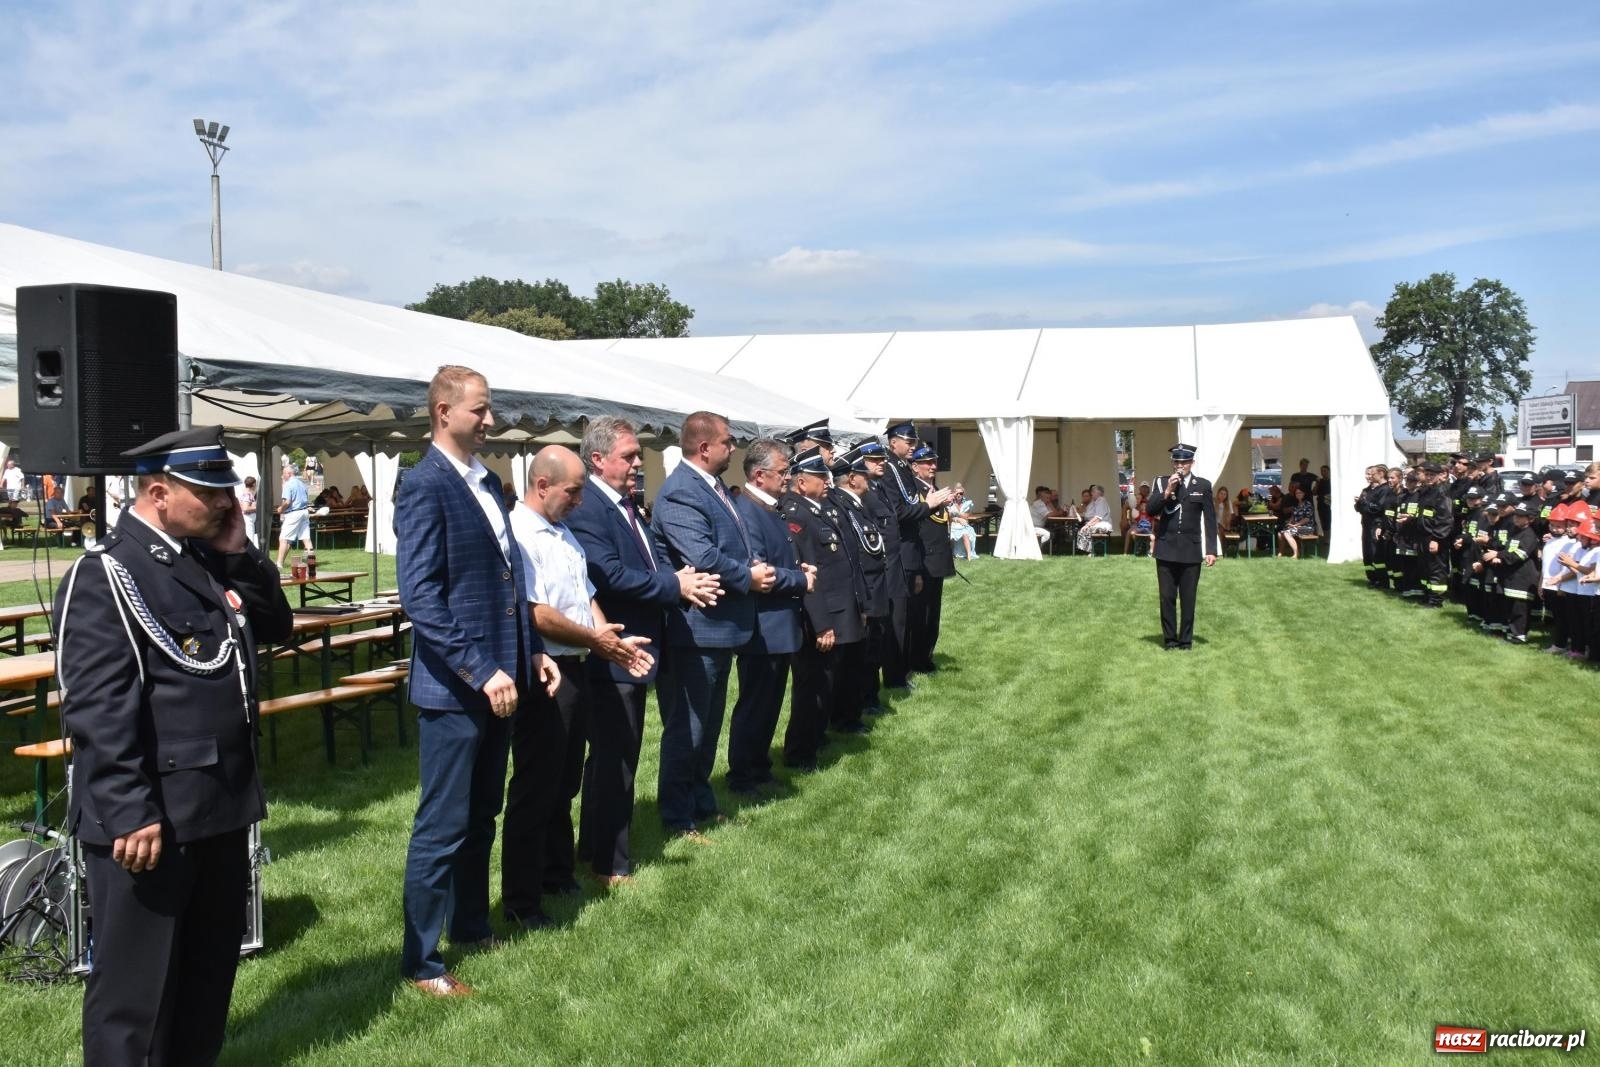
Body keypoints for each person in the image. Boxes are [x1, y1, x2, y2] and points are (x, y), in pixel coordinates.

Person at [54, 425, 292, 1065]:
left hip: (218, 807)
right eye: (210, 494)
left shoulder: (204, 559)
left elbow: (277, 624)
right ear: (159, 493)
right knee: (137, 998)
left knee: (204, 984)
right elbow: (98, 706)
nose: (226, 503)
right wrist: (129, 808)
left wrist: (240, 552)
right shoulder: (106, 574)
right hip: (152, 818)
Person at [396, 365, 554, 998]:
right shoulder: (423, 484)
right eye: (480, 410)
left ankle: (469, 925)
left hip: (502, 680)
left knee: (482, 811)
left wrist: (531, 653)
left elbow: (510, 582)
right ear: (443, 413)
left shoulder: (487, 480)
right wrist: (482, 668)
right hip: (456, 688)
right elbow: (422, 598)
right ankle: (421, 961)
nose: (490, 420)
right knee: (443, 823)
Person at [564, 417, 720, 885]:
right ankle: (610, 864)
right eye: (628, 456)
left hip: (638, 646)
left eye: (637, 455)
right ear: (597, 459)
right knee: (616, 759)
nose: (637, 463)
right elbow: (609, 575)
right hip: (613, 648)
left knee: (616, 756)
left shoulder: (623, 504)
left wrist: (675, 579)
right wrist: (675, 585)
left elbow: (645, 563)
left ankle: (594, 850)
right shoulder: (590, 508)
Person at [503, 446, 652, 928]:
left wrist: (612, 641)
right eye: (572, 491)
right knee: (536, 786)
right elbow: (536, 613)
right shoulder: (519, 533)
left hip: (577, 666)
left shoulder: (563, 532)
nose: (579, 501)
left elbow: (586, 598)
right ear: (542, 485)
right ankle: (522, 901)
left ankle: (556, 874)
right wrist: (595, 640)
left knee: (564, 780)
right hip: (545, 672)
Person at [651, 411, 778, 839]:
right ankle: (677, 816)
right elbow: (702, 556)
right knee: (688, 728)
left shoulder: (713, 486)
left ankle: (701, 803)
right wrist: (749, 577)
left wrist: (750, 564)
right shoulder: (681, 492)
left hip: (719, 628)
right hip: (696, 630)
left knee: (707, 727)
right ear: (704, 448)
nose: (733, 448)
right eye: (727, 441)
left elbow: (730, 545)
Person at [728, 439, 812, 800]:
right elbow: (760, 571)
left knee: (769, 703)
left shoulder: (768, 507)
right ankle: (743, 775)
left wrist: (797, 570)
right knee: (755, 704)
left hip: (778, 624)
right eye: (782, 471)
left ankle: (758, 767)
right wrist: (800, 579)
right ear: (759, 475)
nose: (788, 477)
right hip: (762, 626)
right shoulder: (748, 511)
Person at [782, 447, 867, 770]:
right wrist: (821, 624)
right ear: (802, 482)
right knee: (812, 687)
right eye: (821, 476)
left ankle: (815, 739)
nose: (828, 482)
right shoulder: (797, 514)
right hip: (821, 617)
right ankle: (800, 753)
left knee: (826, 683)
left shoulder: (818, 510)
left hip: (837, 610)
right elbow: (809, 574)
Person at [1146, 443, 1219, 651]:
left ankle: (1186, 641)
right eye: (1177, 462)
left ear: (1192, 463)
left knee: (1188, 599)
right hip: (1166, 548)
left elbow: (1210, 519)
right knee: (1167, 598)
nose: (1180, 466)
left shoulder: (1202, 485)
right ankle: (1170, 640)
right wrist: (1168, 490)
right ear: (1172, 463)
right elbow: (1151, 510)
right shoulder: (1161, 482)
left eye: (1184, 462)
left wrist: (1211, 550)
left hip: (1191, 550)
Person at [907, 443, 955, 673]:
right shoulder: (914, 490)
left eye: (934, 462)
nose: (933, 466)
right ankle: (917, 660)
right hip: (924, 560)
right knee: (921, 614)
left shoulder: (932, 488)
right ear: (915, 467)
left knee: (932, 613)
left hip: (937, 560)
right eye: (927, 463)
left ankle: (926, 657)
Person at [275, 464, 312, 569]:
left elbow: (287, 502)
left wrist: (280, 509)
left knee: (283, 539)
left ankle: (279, 564)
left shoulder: (288, 484)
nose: (282, 476)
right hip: (304, 512)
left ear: (289, 473)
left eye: (283, 473)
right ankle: (311, 563)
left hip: (293, 513)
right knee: (306, 539)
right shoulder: (302, 484)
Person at [1278, 484, 1316, 558]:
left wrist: (1295, 525)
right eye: (1296, 493)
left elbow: (1307, 519)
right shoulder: (1296, 504)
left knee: (1287, 533)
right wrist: (1289, 523)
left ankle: (1296, 553)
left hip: (1307, 528)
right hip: (1297, 527)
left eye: (1300, 493)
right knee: (1280, 533)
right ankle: (1281, 552)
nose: (1298, 494)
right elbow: (1293, 516)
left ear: (1304, 494)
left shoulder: (1308, 504)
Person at [1075, 484, 1113, 553]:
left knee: (1084, 529)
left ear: (1098, 493)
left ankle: (1089, 551)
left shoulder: (1101, 500)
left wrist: (1087, 525)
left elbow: (1098, 518)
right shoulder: (1097, 501)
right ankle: (1086, 550)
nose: (1091, 493)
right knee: (1083, 529)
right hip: (1099, 524)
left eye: (1093, 492)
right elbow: (1090, 515)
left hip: (1103, 525)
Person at [949, 487, 977, 559]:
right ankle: (951, 554)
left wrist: (956, 514)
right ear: (954, 494)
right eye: (957, 493)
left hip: (963, 524)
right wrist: (957, 519)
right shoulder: (950, 503)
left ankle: (969, 556)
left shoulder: (966, 503)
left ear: (963, 494)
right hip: (952, 524)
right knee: (951, 535)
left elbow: (966, 516)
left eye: (961, 493)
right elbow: (949, 517)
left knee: (965, 533)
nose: (959, 495)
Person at [239, 475, 260, 547]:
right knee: (250, 540)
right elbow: (245, 508)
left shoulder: (245, 493)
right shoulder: (247, 494)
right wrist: (257, 508)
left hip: (247, 519)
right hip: (248, 519)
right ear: (253, 484)